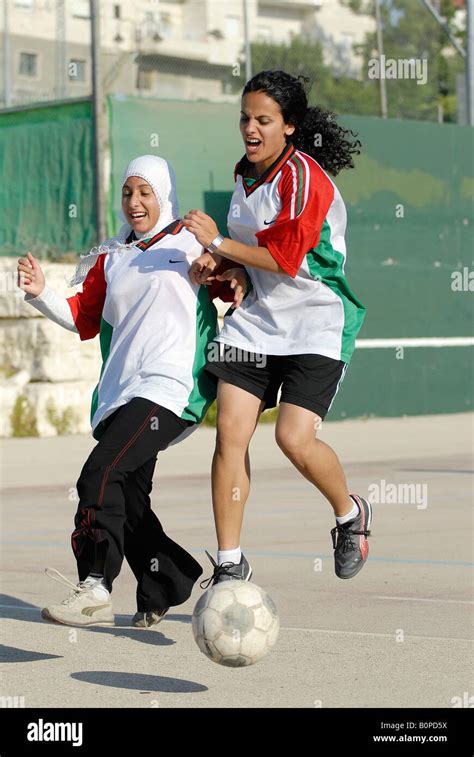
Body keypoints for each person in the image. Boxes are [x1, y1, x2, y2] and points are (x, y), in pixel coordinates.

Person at [17, 154, 248, 627]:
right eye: (127, 193)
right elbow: (81, 316)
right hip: (123, 392)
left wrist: (224, 267)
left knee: (101, 472)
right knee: (130, 501)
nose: (135, 202)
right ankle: (170, 579)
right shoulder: (111, 255)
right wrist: (41, 292)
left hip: (172, 389)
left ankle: (95, 584)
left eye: (145, 192)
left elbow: (236, 281)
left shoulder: (191, 243)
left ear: (163, 194)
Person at [183, 70, 371, 586]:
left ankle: (349, 514)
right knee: (230, 435)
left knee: (293, 438)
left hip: (316, 323)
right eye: (245, 117)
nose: (250, 127)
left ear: (289, 126)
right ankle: (228, 563)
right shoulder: (245, 174)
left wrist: (218, 244)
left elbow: (287, 259)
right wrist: (225, 270)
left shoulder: (304, 178)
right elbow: (257, 260)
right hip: (257, 326)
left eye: (263, 119)